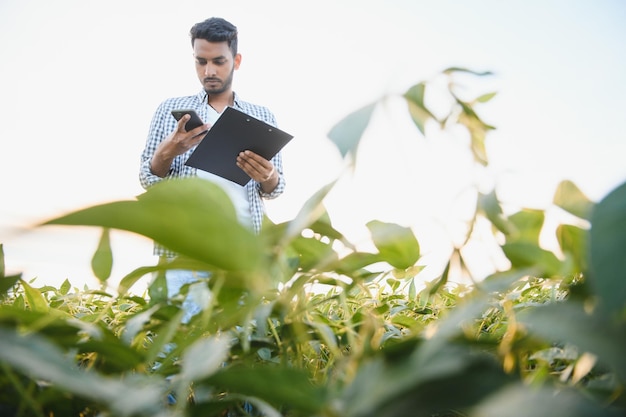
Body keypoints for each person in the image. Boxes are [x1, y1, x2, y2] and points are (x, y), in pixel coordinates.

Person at [138, 17, 286, 320]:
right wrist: (169, 151)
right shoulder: (170, 110)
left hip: (244, 254)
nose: (208, 71)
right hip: (184, 254)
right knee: (174, 352)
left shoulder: (261, 115)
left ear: (237, 60)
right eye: (200, 61)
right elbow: (147, 176)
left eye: (218, 61)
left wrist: (268, 175)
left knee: (244, 353)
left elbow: (276, 188)